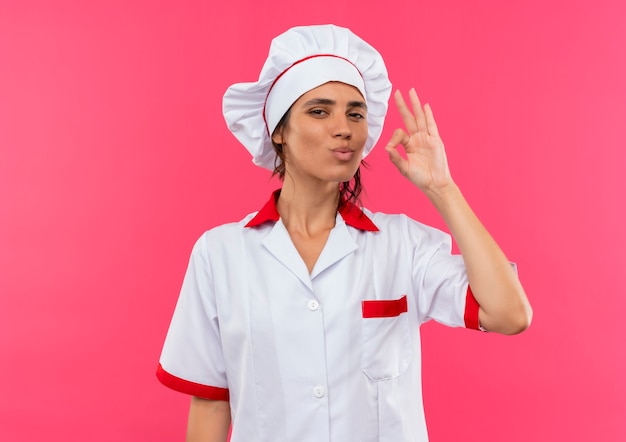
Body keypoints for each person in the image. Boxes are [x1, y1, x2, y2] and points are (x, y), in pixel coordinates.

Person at [156, 24, 532, 442]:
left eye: (356, 113)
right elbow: (211, 403)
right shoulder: (220, 253)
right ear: (278, 130)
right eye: (320, 111)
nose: (344, 128)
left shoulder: (401, 245)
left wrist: (443, 189)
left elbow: (509, 314)